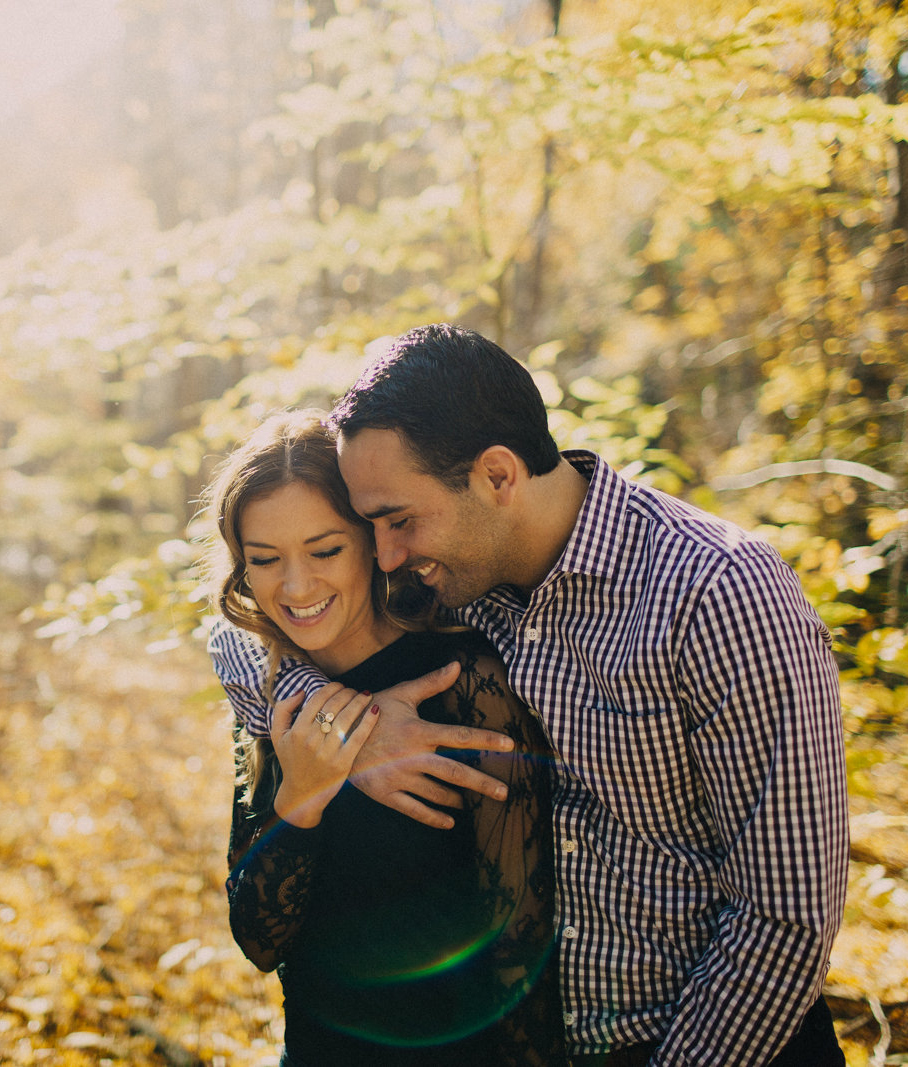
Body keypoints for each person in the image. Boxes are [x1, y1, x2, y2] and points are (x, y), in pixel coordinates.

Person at [209, 325, 849, 1067]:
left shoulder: (718, 594)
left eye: (399, 520)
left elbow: (784, 921)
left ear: (498, 476)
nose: (386, 554)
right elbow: (244, 630)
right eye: (373, 524)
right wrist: (350, 728)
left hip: (713, 1043)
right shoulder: (459, 581)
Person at [204, 410, 565, 1066]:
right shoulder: (269, 691)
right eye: (265, 559)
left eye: (324, 549)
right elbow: (258, 941)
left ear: (373, 542)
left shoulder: (463, 679)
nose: (296, 586)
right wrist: (303, 798)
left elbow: (521, 942)